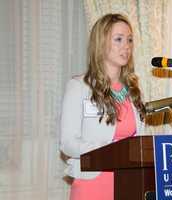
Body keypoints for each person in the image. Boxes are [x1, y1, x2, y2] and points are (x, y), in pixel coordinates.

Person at [60, 13, 146, 200]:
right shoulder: (79, 87)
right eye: (119, 39)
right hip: (93, 184)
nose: (127, 46)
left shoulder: (133, 90)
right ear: (101, 43)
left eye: (130, 40)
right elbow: (67, 143)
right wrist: (111, 152)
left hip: (130, 184)